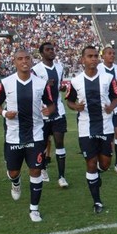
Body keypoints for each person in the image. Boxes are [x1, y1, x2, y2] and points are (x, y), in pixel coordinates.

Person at [0, 48, 55, 222]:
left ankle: (34, 209)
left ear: (31, 61)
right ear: (15, 62)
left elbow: (52, 104)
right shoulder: (5, 83)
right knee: (13, 172)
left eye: (27, 58)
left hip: (35, 135)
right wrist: (4, 113)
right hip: (13, 136)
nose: (24, 61)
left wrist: (48, 110)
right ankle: (16, 182)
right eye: (20, 58)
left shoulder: (41, 84)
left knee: (35, 170)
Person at [67, 45, 117, 214]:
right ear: (83, 60)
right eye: (90, 56)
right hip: (85, 128)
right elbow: (68, 100)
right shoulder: (75, 81)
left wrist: (111, 107)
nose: (94, 59)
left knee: (104, 164)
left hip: (105, 126)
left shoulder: (108, 78)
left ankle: (95, 175)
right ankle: (97, 201)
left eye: (96, 56)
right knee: (90, 163)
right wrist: (76, 106)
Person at [32, 42, 69, 187]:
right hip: (42, 113)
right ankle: (42, 169)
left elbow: (58, 86)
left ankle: (61, 177)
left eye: (52, 49)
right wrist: (45, 84)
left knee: (59, 143)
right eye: (48, 50)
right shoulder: (35, 69)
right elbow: (33, 89)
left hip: (58, 110)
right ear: (41, 53)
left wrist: (61, 87)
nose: (51, 52)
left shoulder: (59, 67)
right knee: (41, 144)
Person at [98, 46, 117, 175]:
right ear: (103, 56)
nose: (112, 55)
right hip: (103, 107)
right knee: (105, 136)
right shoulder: (98, 69)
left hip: (116, 105)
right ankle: (102, 159)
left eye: (113, 53)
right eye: (109, 53)